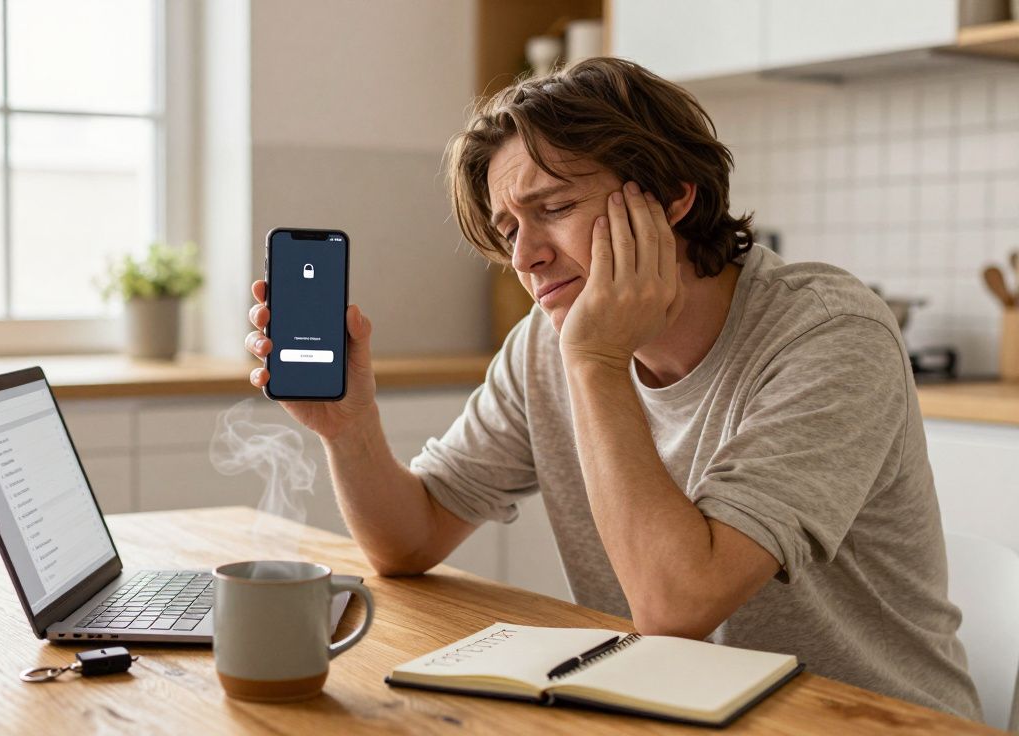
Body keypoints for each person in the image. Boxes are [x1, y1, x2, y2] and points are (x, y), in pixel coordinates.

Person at [243, 58, 981, 719]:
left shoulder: (830, 333)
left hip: (862, 719)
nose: (526, 257)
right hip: (673, 710)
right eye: (508, 231)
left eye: (555, 209)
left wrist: (594, 359)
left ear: (671, 199)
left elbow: (675, 603)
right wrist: (351, 427)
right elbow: (410, 540)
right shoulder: (545, 342)